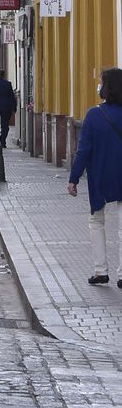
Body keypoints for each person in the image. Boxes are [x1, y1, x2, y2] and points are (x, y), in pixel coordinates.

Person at [69, 68, 122, 286]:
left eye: (100, 82)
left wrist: (74, 178)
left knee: (96, 221)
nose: (98, 85)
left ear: (106, 87)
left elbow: (83, 151)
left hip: (101, 175)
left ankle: (101, 270)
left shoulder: (94, 115)